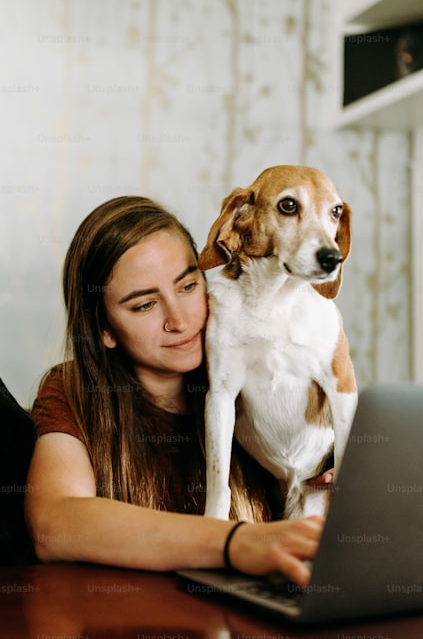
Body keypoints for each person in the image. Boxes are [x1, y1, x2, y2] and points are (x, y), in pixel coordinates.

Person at [25, 196, 328, 587]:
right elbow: (55, 524)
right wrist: (234, 542)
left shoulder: (259, 379)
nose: (180, 320)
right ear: (104, 329)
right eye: (145, 305)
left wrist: (326, 476)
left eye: (188, 286)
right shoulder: (71, 390)